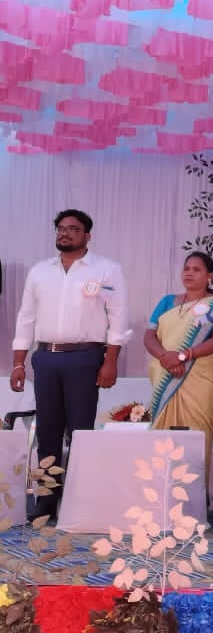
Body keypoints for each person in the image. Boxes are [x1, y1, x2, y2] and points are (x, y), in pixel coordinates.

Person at [10, 209, 130, 520]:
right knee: (47, 429)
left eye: (73, 229)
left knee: (80, 431)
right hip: (46, 358)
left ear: (87, 236)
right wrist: (19, 363)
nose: (65, 233)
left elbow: (118, 318)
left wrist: (110, 361)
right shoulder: (40, 271)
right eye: (61, 229)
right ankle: (46, 500)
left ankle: (79, 499)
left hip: (85, 357)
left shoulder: (107, 269)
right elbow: (26, 317)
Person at [143, 253, 213, 476]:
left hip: (200, 374)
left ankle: (196, 491)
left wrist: (183, 356)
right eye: (186, 268)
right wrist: (166, 357)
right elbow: (149, 336)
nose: (189, 273)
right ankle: (158, 487)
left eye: (196, 269)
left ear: (209, 276)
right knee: (161, 435)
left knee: (197, 430)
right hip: (165, 370)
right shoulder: (166, 302)